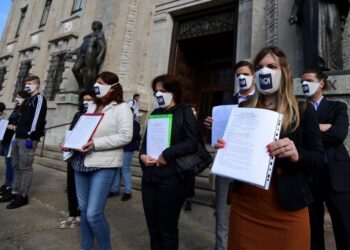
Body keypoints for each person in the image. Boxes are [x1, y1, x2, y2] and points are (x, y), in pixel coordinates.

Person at [215, 47, 324, 250]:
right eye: (260, 67)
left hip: (287, 206)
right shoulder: (244, 108)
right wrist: (226, 147)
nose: (265, 71)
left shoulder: (302, 110)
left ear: (284, 72)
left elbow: (318, 160)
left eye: (272, 66)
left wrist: (297, 154)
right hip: (245, 204)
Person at [66, 71, 132, 250]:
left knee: (94, 214)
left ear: (112, 87)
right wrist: (69, 142)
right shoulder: (92, 106)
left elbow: (126, 136)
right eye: (95, 81)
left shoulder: (122, 108)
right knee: (85, 211)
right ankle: (86, 247)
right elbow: (81, 129)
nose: (96, 85)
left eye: (100, 82)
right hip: (81, 162)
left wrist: (95, 143)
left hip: (104, 164)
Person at [139, 74, 200, 250]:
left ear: (173, 92)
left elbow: (192, 142)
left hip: (173, 178)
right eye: (155, 91)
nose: (158, 94)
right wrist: (143, 156)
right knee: (153, 228)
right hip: (150, 178)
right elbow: (145, 144)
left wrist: (168, 154)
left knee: (167, 229)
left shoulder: (184, 111)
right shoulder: (155, 113)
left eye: (162, 91)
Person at [203, 60, 256, 250]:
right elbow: (221, 133)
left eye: (245, 74)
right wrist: (213, 126)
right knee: (222, 215)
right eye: (238, 75)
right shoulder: (227, 102)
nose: (241, 78)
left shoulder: (263, 100)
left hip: (250, 166)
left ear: (254, 76)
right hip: (226, 164)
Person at [300, 69, 350, 250]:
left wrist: (309, 133)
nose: (305, 84)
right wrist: (321, 128)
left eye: (310, 80)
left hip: (335, 174)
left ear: (321, 83)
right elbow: (296, 139)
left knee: (344, 226)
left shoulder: (338, 107)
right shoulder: (298, 109)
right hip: (309, 175)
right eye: (303, 81)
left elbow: (338, 134)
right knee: (312, 227)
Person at [6, 75, 47, 209]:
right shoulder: (28, 100)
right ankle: (14, 191)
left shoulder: (39, 98)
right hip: (18, 137)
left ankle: (23, 195)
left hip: (27, 139)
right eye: (26, 83)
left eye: (30, 83)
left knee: (25, 167)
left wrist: (31, 135)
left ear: (37, 85)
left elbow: (37, 118)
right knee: (16, 165)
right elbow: (23, 119)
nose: (28, 85)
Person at [59, 90, 96, 229]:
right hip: (74, 154)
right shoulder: (78, 114)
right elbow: (71, 132)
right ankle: (72, 213)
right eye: (84, 99)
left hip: (88, 155)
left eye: (89, 99)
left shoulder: (97, 116)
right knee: (71, 185)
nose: (86, 102)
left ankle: (81, 213)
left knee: (85, 188)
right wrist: (64, 142)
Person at [289, 0, 349, 70]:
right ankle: (313, 70)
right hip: (311, 11)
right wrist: (294, 12)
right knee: (314, 44)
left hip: (330, 8)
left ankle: (333, 70)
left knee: (332, 40)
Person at [0, 91, 29, 201]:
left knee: (12, 163)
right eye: (16, 96)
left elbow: (23, 124)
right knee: (8, 162)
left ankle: (12, 186)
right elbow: (11, 121)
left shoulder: (25, 110)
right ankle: (7, 184)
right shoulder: (16, 108)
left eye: (19, 97)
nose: (16, 98)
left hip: (15, 138)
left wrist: (14, 127)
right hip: (8, 137)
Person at [66, 21, 107, 90]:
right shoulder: (88, 35)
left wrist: (99, 57)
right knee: (75, 69)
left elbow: (103, 47)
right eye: (93, 23)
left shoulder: (99, 34)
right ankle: (81, 86)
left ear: (98, 26)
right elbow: (81, 47)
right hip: (82, 53)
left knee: (89, 70)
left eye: (94, 24)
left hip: (90, 53)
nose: (93, 25)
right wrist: (70, 53)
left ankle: (87, 88)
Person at [109, 114, 141, 201]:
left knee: (125, 169)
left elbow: (132, 136)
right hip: (119, 148)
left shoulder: (135, 124)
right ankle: (114, 190)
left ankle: (128, 191)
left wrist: (120, 137)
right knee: (116, 168)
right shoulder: (121, 123)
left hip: (127, 149)